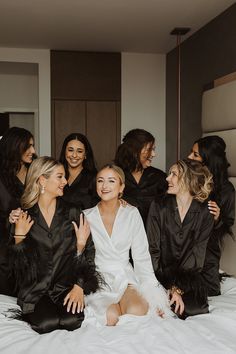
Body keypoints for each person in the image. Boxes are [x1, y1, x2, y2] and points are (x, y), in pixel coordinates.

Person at [9, 156, 100, 334]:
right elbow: (17, 268)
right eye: (60, 177)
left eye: (65, 177)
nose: (65, 182)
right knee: (46, 324)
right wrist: (19, 236)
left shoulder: (73, 211)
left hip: (66, 288)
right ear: (42, 179)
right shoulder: (23, 215)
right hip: (36, 290)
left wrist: (79, 286)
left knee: (71, 321)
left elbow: (88, 252)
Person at [84, 164, 172, 327]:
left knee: (137, 310)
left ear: (121, 187)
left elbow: (141, 257)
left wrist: (156, 297)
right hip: (98, 278)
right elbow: (79, 256)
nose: (104, 186)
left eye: (111, 181)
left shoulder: (131, 213)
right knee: (110, 317)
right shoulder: (86, 216)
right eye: (100, 181)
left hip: (124, 277)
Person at [147, 159, 214, 318]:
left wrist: (177, 288)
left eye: (174, 174)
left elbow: (197, 254)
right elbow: (153, 249)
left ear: (188, 179)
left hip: (187, 278)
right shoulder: (158, 206)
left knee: (193, 309)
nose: (167, 178)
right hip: (159, 275)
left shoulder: (206, 212)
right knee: (154, 307)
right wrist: (168, 285)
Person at [188, 135, 235, 296]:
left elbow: (228, 222)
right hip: (180, 245)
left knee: (210, 291)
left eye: (195, 154)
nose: (189, 157)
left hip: (207, 249)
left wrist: (217, 218)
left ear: (208, 160)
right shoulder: (186, 180)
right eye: (191, 152)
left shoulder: (226, 190)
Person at [0, 127, 36, 296]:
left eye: (33, 146)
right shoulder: (1, 178)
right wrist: (8, 217)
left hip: (35, 243)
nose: (33, 151)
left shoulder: (36, 173)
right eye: (28, 146)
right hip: (6, 248)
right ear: (15, 147)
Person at [114, 129, 167, 224]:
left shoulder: (160, 177)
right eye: (149, 150)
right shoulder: (115, 175)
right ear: (134, 151)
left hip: (153, 235)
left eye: (153, 149)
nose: (154, 154)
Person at [59, 133, 98, 210]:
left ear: (85, 154)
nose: (74, 155)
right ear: (64, 152)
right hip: (57, 221)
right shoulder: (55, 175)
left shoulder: (94, 178)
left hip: (84, 221)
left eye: (79, 151)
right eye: (70, 150)